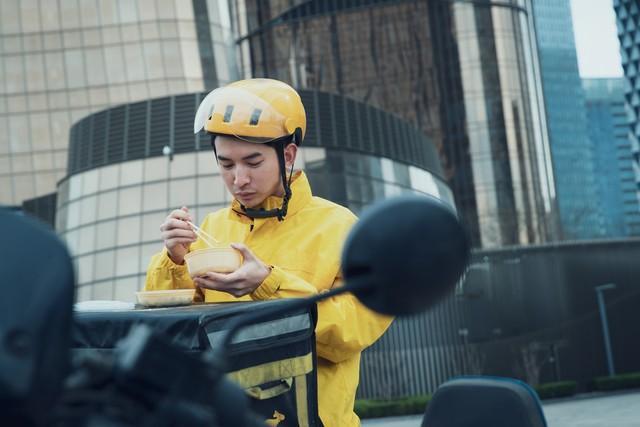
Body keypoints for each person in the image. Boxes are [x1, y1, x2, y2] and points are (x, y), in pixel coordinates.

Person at [144, 78, 392, 426]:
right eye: (226, 164)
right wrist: (173, 260)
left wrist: (270, 284)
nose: (239, 179)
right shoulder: (210, 230)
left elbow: (352, 334)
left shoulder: (341, 228)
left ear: (287, 155)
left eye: (253, 161)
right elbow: (169, 337)